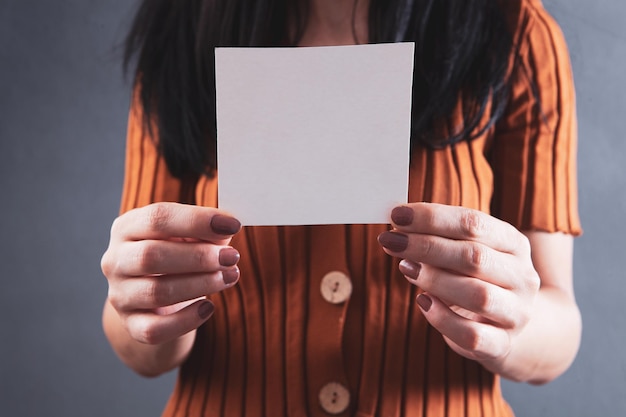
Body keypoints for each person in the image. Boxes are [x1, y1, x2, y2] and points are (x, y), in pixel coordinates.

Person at [100, 0, 582, 416]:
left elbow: (559, 328)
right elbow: (136, 334)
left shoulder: (513, 31)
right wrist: (150, 307)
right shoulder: (184, 26)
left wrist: (508, 320)